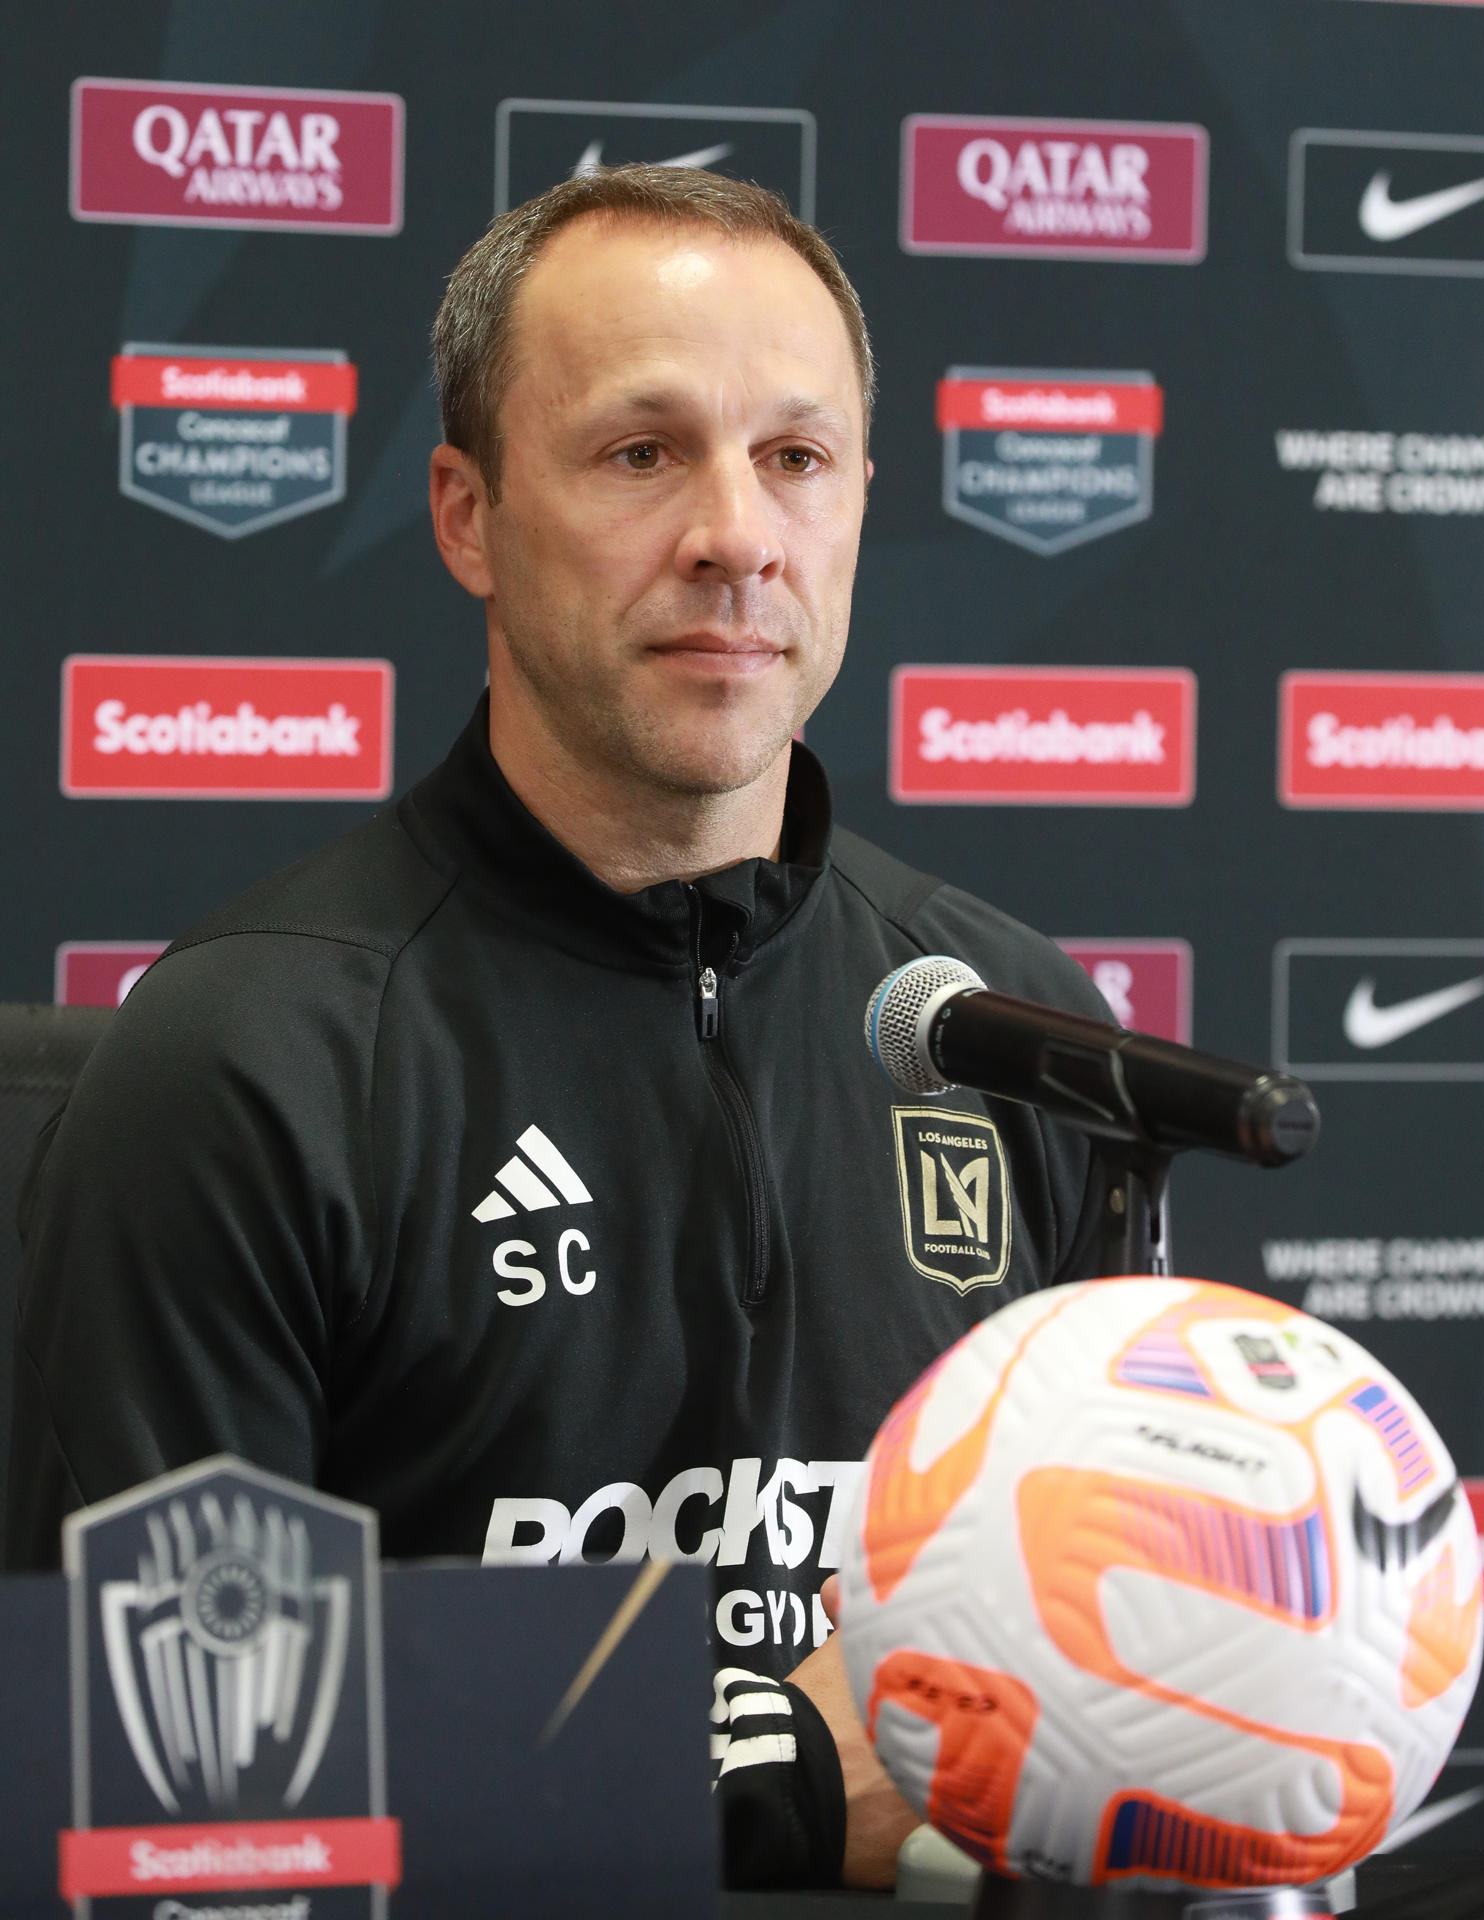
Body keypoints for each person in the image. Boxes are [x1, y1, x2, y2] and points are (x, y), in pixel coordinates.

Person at [9, 166, 1112, 1887]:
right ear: (466, 514)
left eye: (797, 459)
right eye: (641, 451)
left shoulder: (1000, 1022)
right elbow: (176, 1786)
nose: (736, 531)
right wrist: (774, 1791)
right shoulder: (248, 1059)